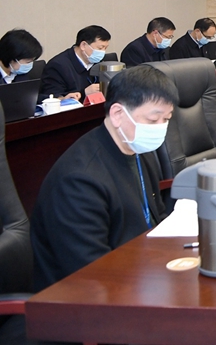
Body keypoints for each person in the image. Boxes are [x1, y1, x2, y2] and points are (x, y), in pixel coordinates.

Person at [30, 65, 178, 290]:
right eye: (153, 120)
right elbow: (91, 273)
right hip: (87, 294)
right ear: (118, 114)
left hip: (143, 271)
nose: (161, 128)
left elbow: (155, 217)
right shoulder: (79, 180)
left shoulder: (137, 149)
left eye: (167, 119)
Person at [39, 25, 112, 102]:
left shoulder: (99, 61)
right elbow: (53, 98)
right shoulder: (57, 66)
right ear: (83, 45)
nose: (103, 52)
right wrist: (84, 93)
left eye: (105, 48)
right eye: (100, 48)